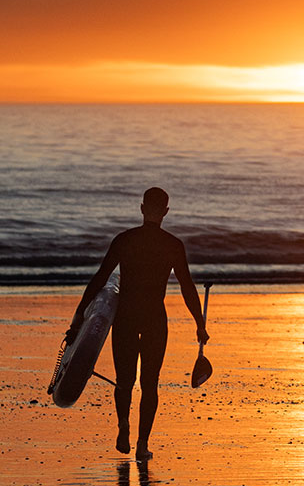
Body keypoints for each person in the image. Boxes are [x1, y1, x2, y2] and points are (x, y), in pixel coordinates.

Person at [68, 187, 208, 459]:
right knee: (150, 383)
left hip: (127, 317)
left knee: (124, 381)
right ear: (166, 211)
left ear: (142, 208)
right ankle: (143, 444)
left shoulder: (124, 240)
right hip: (155, 317)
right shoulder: (173, 244)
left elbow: (100, 279)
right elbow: (187, 287)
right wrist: (199, 323)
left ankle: (123, 427)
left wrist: (79, 316)